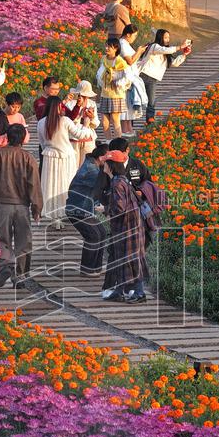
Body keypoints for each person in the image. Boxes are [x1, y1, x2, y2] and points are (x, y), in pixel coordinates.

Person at [0, 124, 42, 288]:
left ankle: (6, 266)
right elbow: (33, 185)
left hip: (2, 204)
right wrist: (37, 208)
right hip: (22, 206)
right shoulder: (28, 158)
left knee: (1, 240)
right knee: (24, 242)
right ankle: (20, 276)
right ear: (23, 139)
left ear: (7, 137)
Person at [38, 96, 96, 231]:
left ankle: (55, 218)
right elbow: (80, 135)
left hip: (49, 157)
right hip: (66, 157)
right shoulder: (64, 120)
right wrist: (86, 124)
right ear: (58, 107)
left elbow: (41, 143)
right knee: (67, 185)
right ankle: (69, 212)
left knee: (52, 186)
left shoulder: (41, 123)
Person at [102, 156, 149, 303]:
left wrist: (105, 209)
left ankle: (140, 293)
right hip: (133, 224)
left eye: (106, 162)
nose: (103, 164)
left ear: (111, 166)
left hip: (127, 226)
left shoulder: (117, 183)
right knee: (125, 258)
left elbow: (120, 208)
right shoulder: (123, 179)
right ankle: (119, 291)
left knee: (130, 258)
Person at [66, 144, 109, 276]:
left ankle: (95, 268)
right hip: (78, 210)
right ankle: (87, 269)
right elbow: (106, 187)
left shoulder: (92, 165)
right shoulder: (92, 171)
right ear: (102, 158)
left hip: (84, 208)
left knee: (101, 233)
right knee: (93, 236)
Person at [138, 30, 190, 123]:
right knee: (136, 100)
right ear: (159, 37)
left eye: (168, 38)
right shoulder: (154, 46)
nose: (167, 40)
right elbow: (164, 50)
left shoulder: (166, 52)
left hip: (152, 79)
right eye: (165, 37)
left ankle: (150, 121)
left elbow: (174, 63)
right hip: (143, 75)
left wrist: (184, 54)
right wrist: (180, 47)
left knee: (151, 101)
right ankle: (129, 122)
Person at [96, 38, 128, 143]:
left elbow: (127, 76)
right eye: (106, 46)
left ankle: (118, 143)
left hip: (116, 94)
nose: (106, 48)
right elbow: (100, 73)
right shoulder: (104, 59)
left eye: (109, 46)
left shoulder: (120, 61)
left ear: (116, 48)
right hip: (105, 93)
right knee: (104, 122)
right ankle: (109, 142)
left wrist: (118, 82)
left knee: (115, 120)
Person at [118, 23, 148, 136]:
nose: (134, 38)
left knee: (129, 103)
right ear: (128, 34)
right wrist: (139, 51)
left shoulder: (125, 43)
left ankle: (128, 128)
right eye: (134, 36)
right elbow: (129, 61)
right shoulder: (122, 44)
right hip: (125, 77)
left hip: (130, 76)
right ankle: (125, 129)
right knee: (126, 102)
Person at [63, 80, 102, 162]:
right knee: (73, 166)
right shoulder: (70, 104)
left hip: (88, 138)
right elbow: (69, 121)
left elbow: (96, 124)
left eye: (86, 95)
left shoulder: (92, 104)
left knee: (88, 165)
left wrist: (92, 117)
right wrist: (79, 115)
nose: (84, 97)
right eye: (81, 95)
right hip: (73, 138)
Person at [0, 91, 28, 156]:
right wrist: (10, 135)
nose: (16, 110)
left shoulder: (20, 117)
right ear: (6, 104)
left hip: (15, 153)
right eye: (13, 107)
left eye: (18, 107)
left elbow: (26, 138)